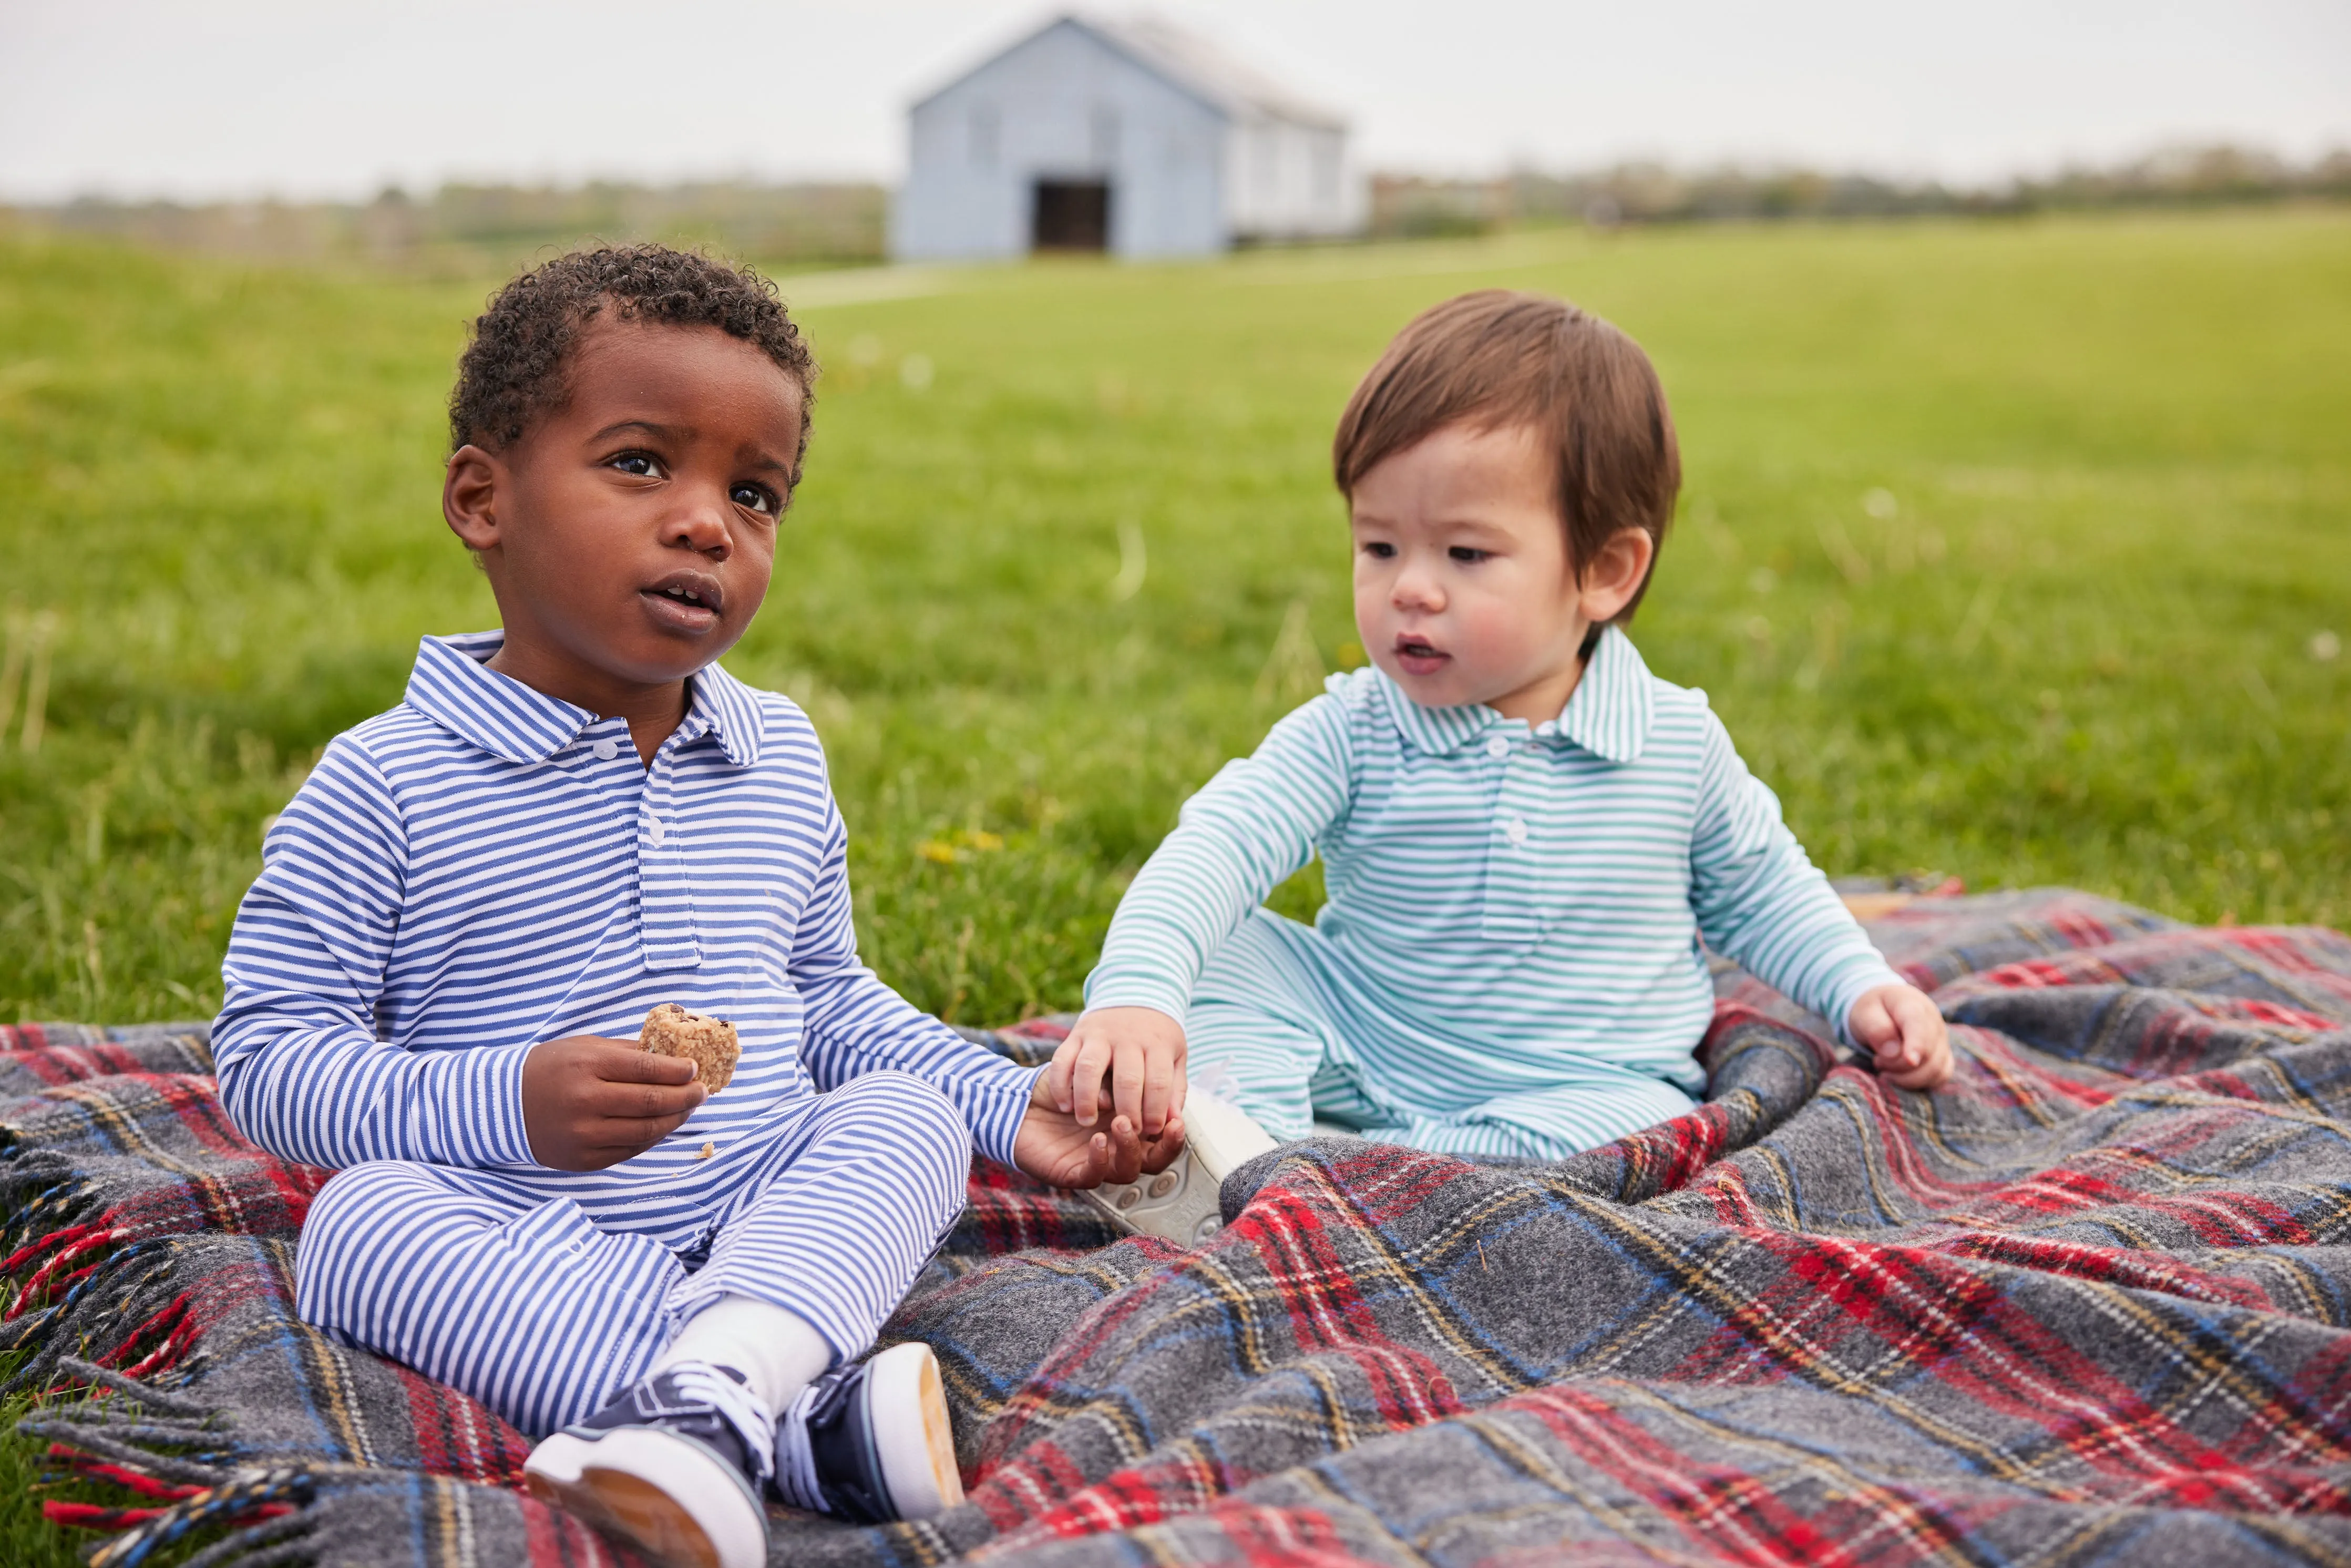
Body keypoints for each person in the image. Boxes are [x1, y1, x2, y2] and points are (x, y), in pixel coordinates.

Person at [212, 245, 1177, 1568]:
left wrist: (1005, 1112)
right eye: (639, 464)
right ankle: (794, 1423)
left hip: (777, 1200)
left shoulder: (777, 755)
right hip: (515, 1224)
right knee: (358, 1227)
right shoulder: (387, 783)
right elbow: (269, 1060)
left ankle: (715, 1388)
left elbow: (831, 1004)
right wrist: (512, 1104)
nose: (706, 521)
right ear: (482, 499)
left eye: (755, 492)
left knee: (897, 1120)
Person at [1045, 290, 1952, 1242]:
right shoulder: (1354, 726)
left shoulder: (1675, 744)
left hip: (1580, 1080)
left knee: (1642, 1126)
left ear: (1606, 571)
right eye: (1378, 544)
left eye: (1467, 553)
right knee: (1231, 949)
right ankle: (1257, 1159)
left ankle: (1366, 1183)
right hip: (1369, 1034)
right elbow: (1216, 849)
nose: (1411, 588)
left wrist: (1862, 986)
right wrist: (1137, 997)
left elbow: (1765, 891)